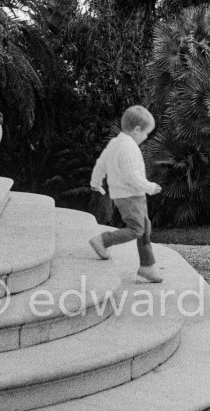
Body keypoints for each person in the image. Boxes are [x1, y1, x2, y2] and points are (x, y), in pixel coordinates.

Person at [88, 105, 163, 283]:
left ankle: (147, 266)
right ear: (137, 130)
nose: (145, 138)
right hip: (130, 195)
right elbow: (132, 177)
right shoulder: (129, 147)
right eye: (146, 133)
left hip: (126, 194)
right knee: (137, 229)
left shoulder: (115, 143)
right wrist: (150, 187)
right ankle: (103, 240)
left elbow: (101, 163)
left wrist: (95, 182)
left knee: (145, 227)